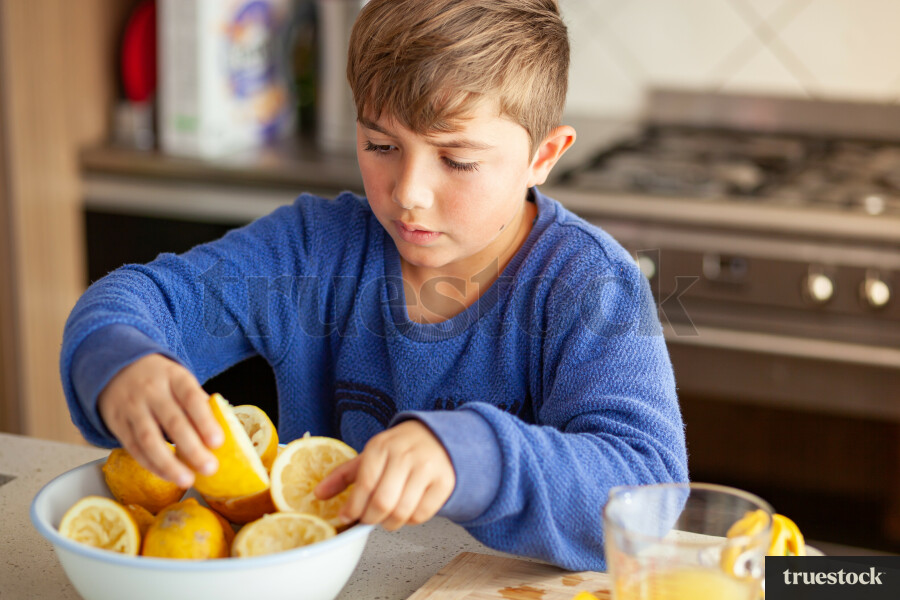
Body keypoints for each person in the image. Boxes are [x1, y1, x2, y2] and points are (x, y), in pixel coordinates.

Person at [60, 0, 687, 570]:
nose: (408, 193)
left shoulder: (590, 284)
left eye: (456, 159)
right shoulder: (313, 250)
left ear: (543, 157)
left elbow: (649, 494)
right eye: (380, 144)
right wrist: (119, 361)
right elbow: (145, 299)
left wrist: (471, 457)